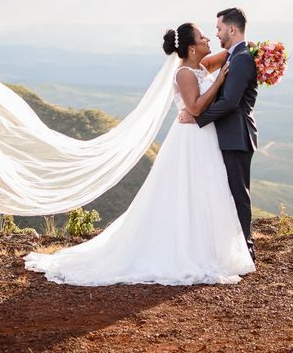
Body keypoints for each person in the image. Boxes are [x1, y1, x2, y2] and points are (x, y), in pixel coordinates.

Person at [23, 22, 256, 286]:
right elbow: (195, 108)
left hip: (203, 138)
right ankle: (186, 250)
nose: (208, 39)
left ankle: (206, 247)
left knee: (205, 191)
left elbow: (232, 52)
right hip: (191, 139)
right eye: (203, 37)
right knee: (187, 191)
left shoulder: (200, 66)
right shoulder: (184, 74)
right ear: (192, 48)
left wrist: (264, 51)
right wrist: (220, 82)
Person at [180, 8, 258, 261]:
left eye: (219, 28)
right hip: (222, 136)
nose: (215, 34)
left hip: (236, 135)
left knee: (237, 194)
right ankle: (226, 248)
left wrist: (197, 116)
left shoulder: (242, 58)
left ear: (232, 29)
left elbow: (231, 102)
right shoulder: (234, 56)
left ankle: (245, 249)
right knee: (224, 193)